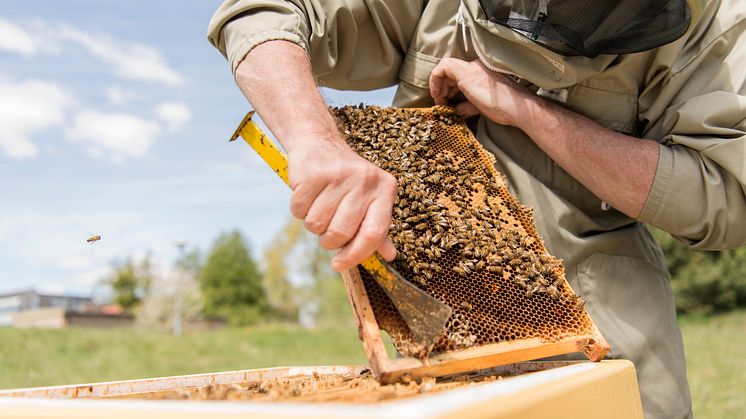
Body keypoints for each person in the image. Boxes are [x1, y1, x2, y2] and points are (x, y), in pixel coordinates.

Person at [208, 1, 746, 417]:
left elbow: (728, 196)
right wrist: (314, 139)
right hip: (437, 339)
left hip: (606, 338)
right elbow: (261, 14)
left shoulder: (715, 26)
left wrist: (525, 111)